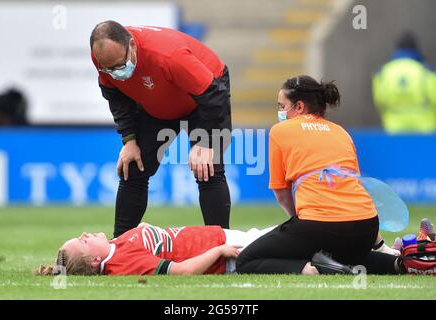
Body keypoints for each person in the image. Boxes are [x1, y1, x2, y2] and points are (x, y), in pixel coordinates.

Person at [236, 75, 403, 276]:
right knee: (347, 255)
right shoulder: (341, 132)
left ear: (298, 107)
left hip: (318, 225)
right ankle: (399, 263)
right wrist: (379, 243)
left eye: (282, 106)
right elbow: (356, 188)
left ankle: (307, 268)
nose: (280, 112)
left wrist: (300, 227)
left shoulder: (280, 131)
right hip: (366, 225)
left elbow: (282, 194)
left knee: (246, 260)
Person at [89, 21, 232, 238]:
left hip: (205, 99)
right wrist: (129, 139)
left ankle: (222, 248)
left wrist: (205, 143)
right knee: (132, 169)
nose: (116, 73)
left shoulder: (169, 55)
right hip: (158, 104)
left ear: (132, 46)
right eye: (108, 68)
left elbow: (215, 96)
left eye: (120, 65)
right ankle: (119, 248)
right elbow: (115, 96)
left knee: (208, 170)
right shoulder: (103, 58)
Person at [35, 223, 275, 276]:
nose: (84, 234)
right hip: (228, 251)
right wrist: (219, 251)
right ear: (96, 261)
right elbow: (181, 271)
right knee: (298, 234)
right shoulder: (124, 262)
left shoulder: (115, 245)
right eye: (83, 242)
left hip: (222, 237)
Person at [372, 31, 436, 133]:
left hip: (393, 130)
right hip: (425, 133)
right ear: (415, 48)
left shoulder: (383, 73)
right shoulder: (426, 71)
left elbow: (379, 101)